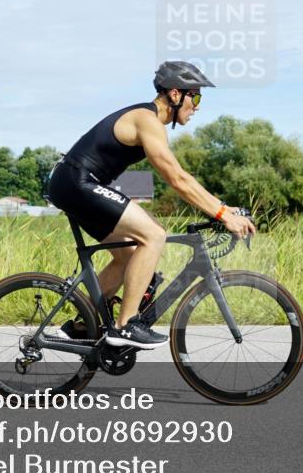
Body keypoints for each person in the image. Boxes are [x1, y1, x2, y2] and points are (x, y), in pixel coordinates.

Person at [46, 61, 256, 349]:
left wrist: (224, 208)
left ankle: (82, 325)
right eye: (195, 96)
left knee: (130, 256)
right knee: (154, 234)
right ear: (174, 94)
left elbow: (182, 178)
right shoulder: (148, 120)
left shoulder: (150, 120)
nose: (197, 105)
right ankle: (124, 327)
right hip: (78, 182)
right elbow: (176, 177)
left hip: (75, 184)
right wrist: (220, 212)